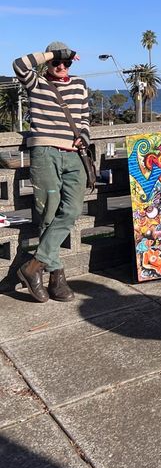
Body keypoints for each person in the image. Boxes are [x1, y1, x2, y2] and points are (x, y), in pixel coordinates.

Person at [12, 42, 90, 303]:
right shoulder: (35, 82)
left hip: (74, 155)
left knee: (72, 210)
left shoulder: (79, 84)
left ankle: (33, 266)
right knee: (49, 211)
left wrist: (85, 138)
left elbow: (84, 118)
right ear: (47, 61)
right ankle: (57, 278)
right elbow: (19, 64)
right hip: (45, 153)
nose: (61, 66)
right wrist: (54, 54)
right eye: (57, 61)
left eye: (66, 62)